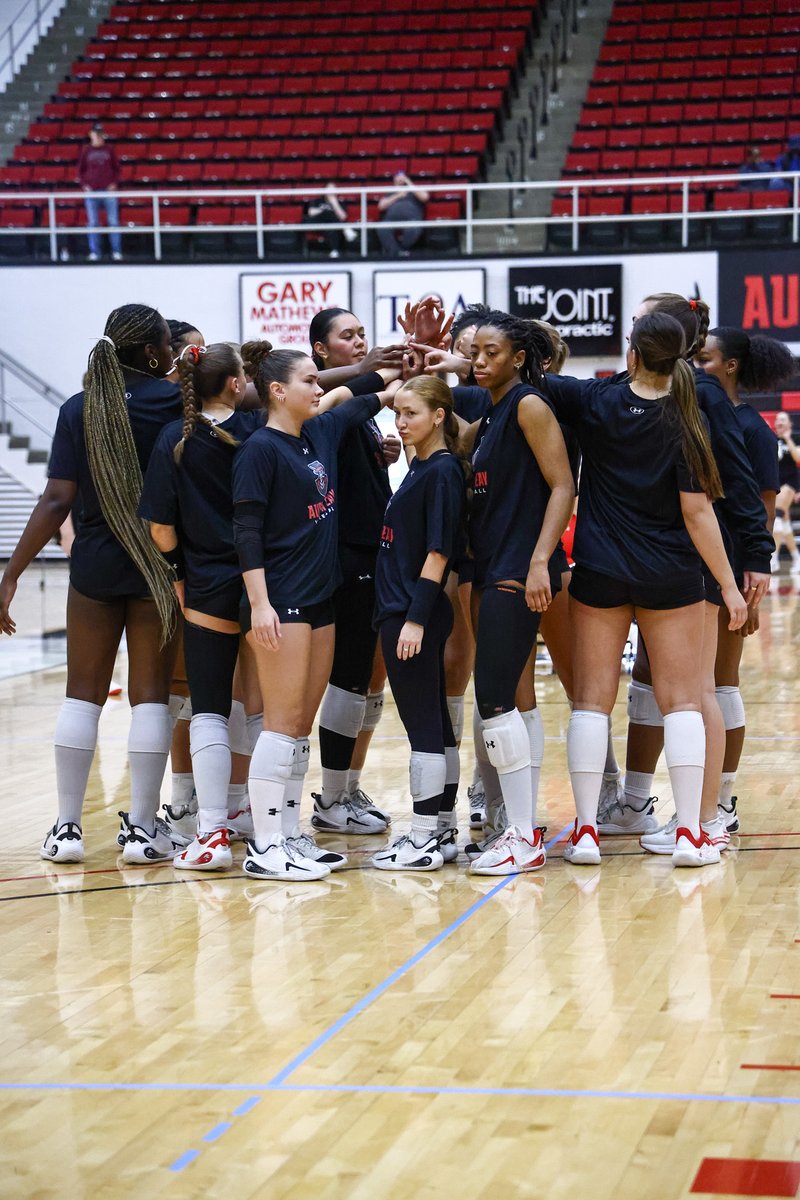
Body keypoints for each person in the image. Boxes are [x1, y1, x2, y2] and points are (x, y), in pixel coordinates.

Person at [546, 312, 748, 869]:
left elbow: (537, 374)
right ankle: (689, 835)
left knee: (591, 703)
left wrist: (455, 359)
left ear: (632, 353)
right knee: (682, 703)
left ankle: (587, 833)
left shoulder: (598, 400)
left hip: (600, 570)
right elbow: (698, 513)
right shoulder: (688, 417)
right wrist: (728, 586)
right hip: (670, 574)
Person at [0, 304, 183, 864]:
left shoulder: (77, 408)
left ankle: (66, 829)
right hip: (157, 566)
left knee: (81, 695)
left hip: (95, 566)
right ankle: (142, 830)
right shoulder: (174, 402)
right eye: (166, 344)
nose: (172, 352)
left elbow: (57, 498)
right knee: (149, 698)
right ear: (151, 352)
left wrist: (11, 573)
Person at [601, 293, 773, 843]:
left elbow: (740, 483)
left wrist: (756, 556)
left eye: (639, 320)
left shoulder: (702, 394)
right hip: (659, 558)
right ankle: (639, 803)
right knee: (654, 681)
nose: (632, 326)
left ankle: (710, 812)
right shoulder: (633, 390)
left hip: (700, 557)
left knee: (701, 690)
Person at [231, 341, 398, 881]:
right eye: (309, 380)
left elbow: (362, 398)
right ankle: (265, 845)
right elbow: (246, 531)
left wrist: (403, 374)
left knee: (299, 726)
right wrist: (260, 604)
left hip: (320, 599)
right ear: (278, 391)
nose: (319, 387)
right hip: (279, 601)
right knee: (280, 726)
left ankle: (288, 832)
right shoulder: (260, 449)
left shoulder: (318, 433)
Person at [140, 342, 266, 871]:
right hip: (267, 584)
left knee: (209, 706)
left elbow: (160, 527)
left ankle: (211, 831)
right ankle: (267, 825)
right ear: (235, 383)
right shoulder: (259, 430)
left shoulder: (175, 438)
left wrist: (177, 574)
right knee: (266, 708)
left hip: (207, 584)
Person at [458, 311, 575, 876]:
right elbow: (451, 441)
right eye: (475, 353)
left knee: (495, 699)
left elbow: (563, 485)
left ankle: (523, 837)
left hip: (517, 568)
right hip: (491, 566)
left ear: (520, 358)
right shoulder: (491, 414)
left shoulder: (529, 405)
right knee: (512, 700)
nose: (480, 361)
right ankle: (518, 827)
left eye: (492, 352)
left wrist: (539, 560)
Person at [308, 308, 402, 834]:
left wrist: (381, 454)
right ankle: (330, 797)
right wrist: (383, 377)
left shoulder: (358, 413)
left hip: (371, 551)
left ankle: (345, 788)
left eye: (362, 333)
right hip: (345, 554)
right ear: (321, 351)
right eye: (347, 336)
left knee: (364, 677)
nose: (360, 341)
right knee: (347, 677)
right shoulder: (324, 400)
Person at [694, 326, 790, 826]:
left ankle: (724, 800)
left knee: (722, 682)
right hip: (691, 566)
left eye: (704, 359)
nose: (696, 367)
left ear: (730, 366)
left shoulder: (753, 429)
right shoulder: (700, 415)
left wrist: (753, 585)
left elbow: (764, 508)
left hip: (733, 566)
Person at [371, 376, 467, 870]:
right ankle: (444, 829)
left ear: (439, 416)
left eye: (411, 413)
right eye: (397, 412)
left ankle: (424, 837)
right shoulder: (423, 466)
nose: (400, 422)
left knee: (424, 726)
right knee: (436, 724)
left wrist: (414, 619)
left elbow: (439, 553)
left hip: (412, 613)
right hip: (408, 610)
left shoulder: (442, 472)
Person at [77, 124, 123, 263]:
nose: (98, 136)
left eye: (100, 134)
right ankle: (95, 251)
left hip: (108, 191)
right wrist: (85, 185)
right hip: (92, 192)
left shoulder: (109, 150)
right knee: (93, 222)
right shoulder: (86, 151)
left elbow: (117, 169)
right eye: (96, 133)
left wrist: (114, 183)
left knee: (113, 221)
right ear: (91, 134)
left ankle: (116, 251)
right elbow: (80, 171)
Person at [377, 171, 430, 259]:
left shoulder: (414, 191)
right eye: (398, 177)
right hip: (391, 219)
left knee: (414, 228)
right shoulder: (390, 192)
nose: (400, 179)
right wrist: (398, 195)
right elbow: (381, 206)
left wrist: (409, 183)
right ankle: (397, 252)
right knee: (382, 228)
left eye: (402, 177)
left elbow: (425, 197)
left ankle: (401, 250)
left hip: (412, 218)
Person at [773, 411, 800, 572]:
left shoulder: (795, 438)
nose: (780, 422)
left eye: (783, 419)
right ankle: (796, 557)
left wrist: (788, 438)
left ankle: (773, 558)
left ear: (790, 423)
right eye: (777, 419)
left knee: (777, 514)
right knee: (784, 522)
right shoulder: (771, 439)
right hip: (775, 483)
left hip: (790, 483)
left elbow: (798, 458)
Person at [302, 183, 358, 259]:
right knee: (327, 213)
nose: (331, 191)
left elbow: (343, 216)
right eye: (329, 189)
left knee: (331, 229)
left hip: (330, 225)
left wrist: (334, 203)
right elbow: (311, 212)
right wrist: (323, 210)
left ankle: (334, 251)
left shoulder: (339, 202)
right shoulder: (317, 200)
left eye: (333, 189)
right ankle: (345, 228)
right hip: (317, 223)